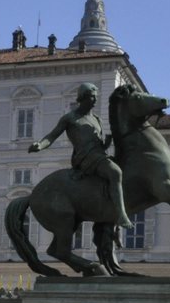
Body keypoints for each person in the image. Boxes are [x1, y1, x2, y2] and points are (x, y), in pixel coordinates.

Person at [28, 81, 131, 231]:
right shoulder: (70, 118)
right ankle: (121, 214)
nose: (95, 100)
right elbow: (51, 136)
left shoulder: (97, 120)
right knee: (115, 172)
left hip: (99, 155)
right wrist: (39, 145)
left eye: (95, 97)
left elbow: (100, 145)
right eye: (91, 97)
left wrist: (107, 142)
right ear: (82, 98)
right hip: (85, 158)